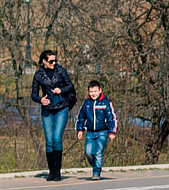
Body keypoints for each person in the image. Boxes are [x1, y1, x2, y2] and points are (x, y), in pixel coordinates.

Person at [31, 50, 76, 181]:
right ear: (44, 61)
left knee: (57, 138)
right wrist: (41, 100)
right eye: (51, 61)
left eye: (55, 60)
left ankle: (57, 172)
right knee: (49, 141)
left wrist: (60, 90)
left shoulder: (60, 71)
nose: (54, 63)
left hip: (61, 107)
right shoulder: (38, 75)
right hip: (47, 109)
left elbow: (70, 86)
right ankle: (52, 172)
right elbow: (33, 94)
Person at [76, 80, 117, 181]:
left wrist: (111, 132)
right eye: (91, 91)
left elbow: (111, 118)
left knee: (99, 152)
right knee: (88, 152)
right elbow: (81, 117)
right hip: (90, 132)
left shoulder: (106, 103)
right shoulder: (86, 103)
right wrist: (80, 129)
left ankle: (96, 172)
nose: (93, 94)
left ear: (100, 91)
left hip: (102, 132)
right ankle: (95, 164)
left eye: (95, 91)